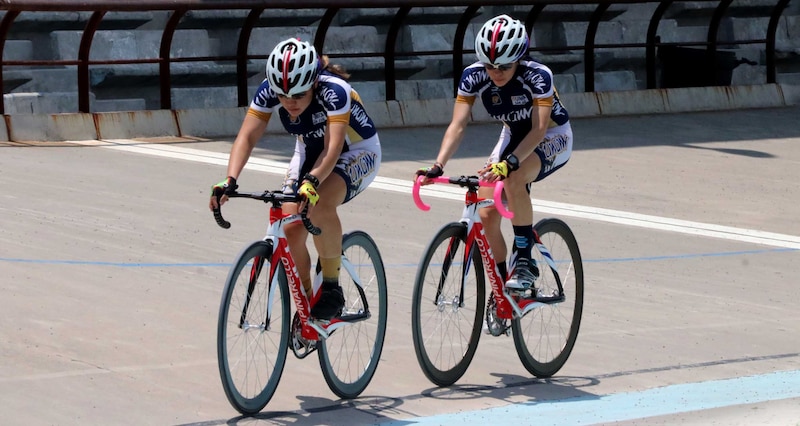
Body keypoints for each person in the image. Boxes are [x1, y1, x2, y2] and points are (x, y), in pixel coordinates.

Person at [210, 38, 381, 320]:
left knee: (321, 203)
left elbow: (334, 147)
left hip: (356, 151)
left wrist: (312, 182)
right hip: (309, 149)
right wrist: (229, 179)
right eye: (283, 96)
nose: (290, 102)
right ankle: (307, 309)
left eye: (299, 96)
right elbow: (248, 135)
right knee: (290, 229)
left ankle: (330, 288)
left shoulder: (335, 91)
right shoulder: (270, 91)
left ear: (314, 83)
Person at [416, 14, 572, 291]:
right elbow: (458, 124)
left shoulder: (538, 76)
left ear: (519, 59)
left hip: (551, 135)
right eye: (490, 65)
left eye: (504, 66)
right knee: (485, 213)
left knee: (514, 178)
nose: (496, 72)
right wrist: (438, 165)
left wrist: (510, 163)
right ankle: (503, 289)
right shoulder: (473, 76)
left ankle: (525, 261)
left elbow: (538, 130)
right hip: (512, 133)